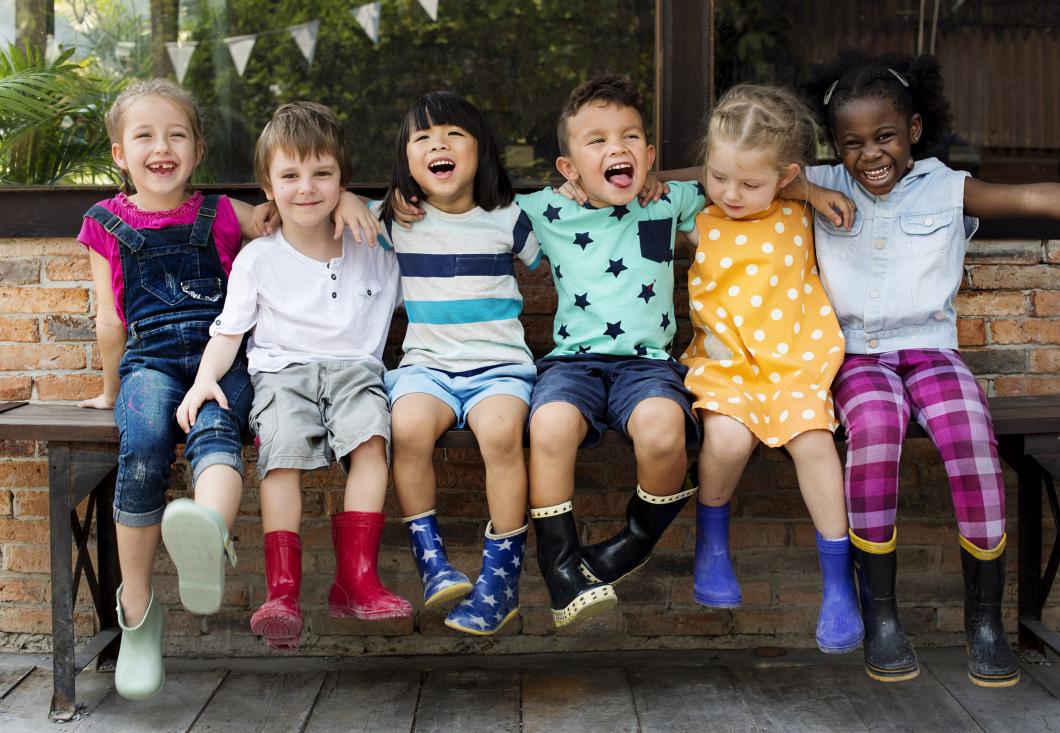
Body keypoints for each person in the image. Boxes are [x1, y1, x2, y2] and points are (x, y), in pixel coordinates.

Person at [802, 50, 1060, 686]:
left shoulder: (948, 185)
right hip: (857, 357)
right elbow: (730, 168)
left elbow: (1028, 193)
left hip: (932, 352)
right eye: (852, 142)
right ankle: (882, 618)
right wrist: (802, 185)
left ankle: (985, 621)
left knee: (972, 437)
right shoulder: (822, 184)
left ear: (912, 130)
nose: (870, 154)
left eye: (885, 136)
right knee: (877, 430)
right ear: (834, 146)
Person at [176, 101, 408, 652]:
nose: (307, 188)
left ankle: (357, 579)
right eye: (290, 176)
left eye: (323, 174)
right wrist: (205, 380)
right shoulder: (259, 258)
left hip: (356, 371)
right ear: (268, 187)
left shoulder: (374, 242)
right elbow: (229, 331)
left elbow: (420, 202)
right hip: (283, 374)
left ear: (342, 180)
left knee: (373, 442)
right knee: (279, 459)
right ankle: (283, 593)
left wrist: (357, 201)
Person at [77, 79, 267, 700]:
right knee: (144, 445)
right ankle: (137, 611)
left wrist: (344, 198)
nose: (162, 148)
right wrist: (112, 391)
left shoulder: (225, 214)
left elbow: (293, 213)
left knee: (217, 429)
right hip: (149, 365)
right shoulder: (103, 222)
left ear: (199, 149)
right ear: (119, 154)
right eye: (145, 136)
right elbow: (111, 319)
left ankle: (207, 535)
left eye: (176, 135)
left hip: (222, 358)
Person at [678, 84, 863, 655]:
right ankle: (711, 544)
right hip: (727, 367)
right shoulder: (694, 215)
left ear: (785, 177)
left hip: (794, 366)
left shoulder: (800, 210)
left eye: (750, 183)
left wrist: (808, 189)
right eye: (719, 176)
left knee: (815, 444)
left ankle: (838, 584)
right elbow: (644, 181)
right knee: (727, 441)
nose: (731, 193)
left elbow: (832, 186)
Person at [377, 91, 541, 635]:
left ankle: (500, 580)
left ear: (480, 151)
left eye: (453, 134)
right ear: (406, 161)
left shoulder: (509, 219)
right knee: (407, 427)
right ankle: (432, 562)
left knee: (500, 435)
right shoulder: (395, 223)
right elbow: (330, 215)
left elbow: (563, 247)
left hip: (499, 367)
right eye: (421, 138)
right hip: (427, 366)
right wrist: (362, 202)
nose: (437, 144)